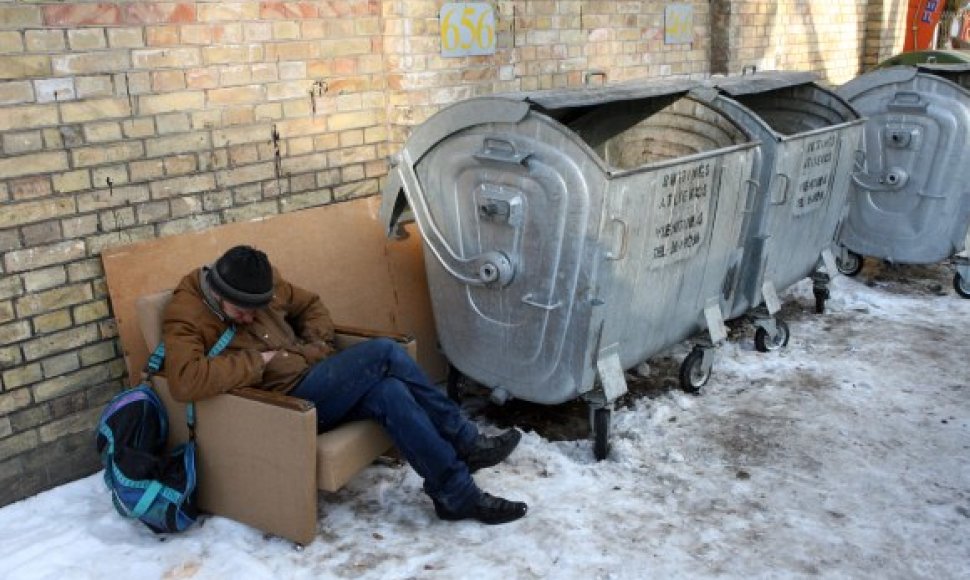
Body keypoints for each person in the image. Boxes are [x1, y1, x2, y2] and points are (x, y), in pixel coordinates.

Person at [162, 245, 527, 525]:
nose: (251, 317)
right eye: (241, 312)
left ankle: (455, 495)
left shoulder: (264, 282)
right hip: (285, 406)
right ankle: (465, 440)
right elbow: (183, 380)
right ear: (217, 292)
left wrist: (316, 344)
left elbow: (311, 306)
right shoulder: (187, 312)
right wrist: (257, 362)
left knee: (391, 393)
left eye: (257, 308)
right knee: (384, 352)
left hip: (317, 376)